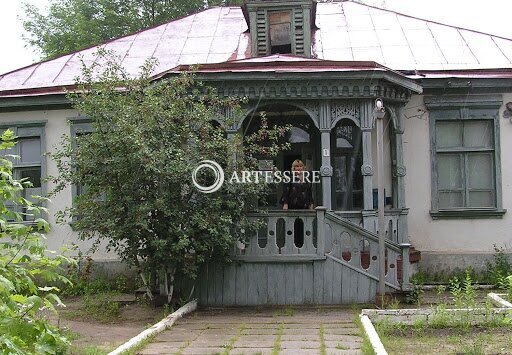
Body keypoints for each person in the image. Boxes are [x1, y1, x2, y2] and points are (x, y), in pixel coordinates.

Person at [280, 159, 314, 248]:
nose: (299, 168)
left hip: (304, 207)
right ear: (293, 168)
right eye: (296, 167)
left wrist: (311, 204)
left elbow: (309, 192)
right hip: (293, 206)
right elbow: (286, 192)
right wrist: (285, 204)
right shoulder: (289, 178)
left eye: (300, 166)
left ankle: (303, 247)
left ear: (303, 168)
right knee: (293, 227)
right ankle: (291, 246)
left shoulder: (307, 179)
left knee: (303, 227)